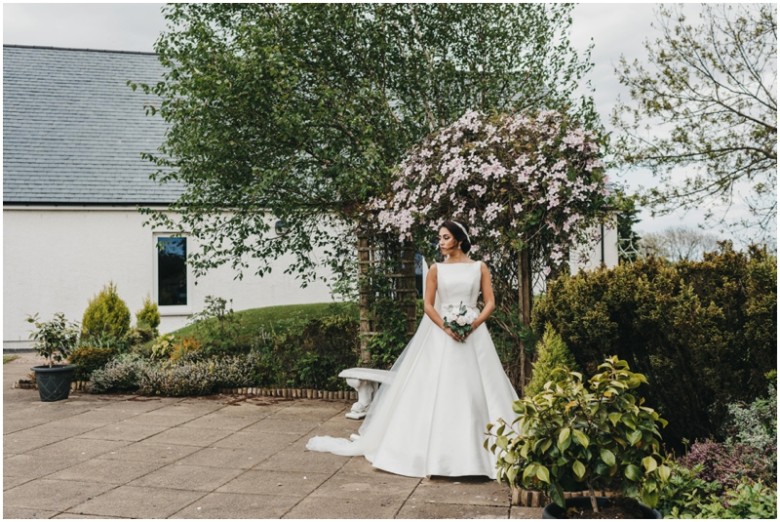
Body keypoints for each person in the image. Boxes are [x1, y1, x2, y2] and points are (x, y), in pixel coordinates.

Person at [306, 220, 518, 478]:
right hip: (443, 335)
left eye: (446, 237)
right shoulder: (436, 270)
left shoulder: (479, 268)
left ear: (459, 240)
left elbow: (490, 302)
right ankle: (435, 455)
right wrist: (446, 327)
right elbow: (428, 306)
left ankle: (484, 455)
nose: (440, 242)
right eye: (439, 237)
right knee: (437, 389)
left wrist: (472, 324)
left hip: (474, 335)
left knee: (481, 389)